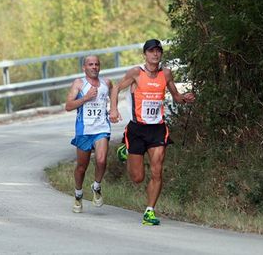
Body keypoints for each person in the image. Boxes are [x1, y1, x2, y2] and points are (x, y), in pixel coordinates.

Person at [109, 39, 195, 225]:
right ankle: (125, 150)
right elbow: (116, 87)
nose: (155, 54)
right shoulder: (136, 73)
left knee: (157, 171)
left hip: (157, 129)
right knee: (137, 178)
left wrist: (184, 98)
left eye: (158, 51)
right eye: (151, 51)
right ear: (145, 54)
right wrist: (113, 109)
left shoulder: (166, 74)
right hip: (137, 129)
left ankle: (149, 211)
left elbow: (176, 97)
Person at [65, 55, 113, 213]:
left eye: (97, 64)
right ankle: (78, 194)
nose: (94, 67)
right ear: (84, 68)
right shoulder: (79, 83)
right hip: (84, 130)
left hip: (101, 128)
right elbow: (68, 106)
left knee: (101, 160)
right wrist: (85, 98)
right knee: (81, 167)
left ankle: (96, 186)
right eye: (90, 64)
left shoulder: (106, 83)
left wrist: (114, 108)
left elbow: (115, 91)